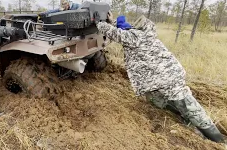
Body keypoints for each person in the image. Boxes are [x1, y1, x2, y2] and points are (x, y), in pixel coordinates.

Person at [93, 12, 225, 143]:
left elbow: (117, 34)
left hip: (169, 78)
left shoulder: (137, 37)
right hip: (158, 80)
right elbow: (125, 28)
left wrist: (99, 23)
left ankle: (217, 139)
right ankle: (189, 125)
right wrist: (112, 20)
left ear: (139, 29)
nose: (132, 27)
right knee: (156, 100)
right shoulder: (143, 34)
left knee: (189, 107)